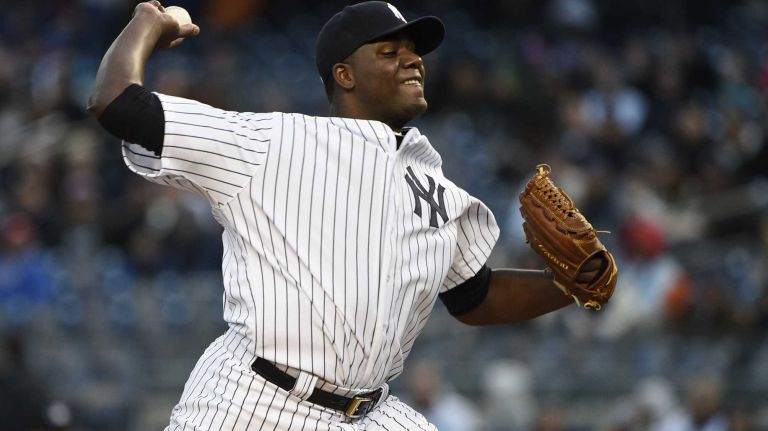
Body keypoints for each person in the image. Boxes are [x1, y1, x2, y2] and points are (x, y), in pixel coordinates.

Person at [87, 1, 606, 429]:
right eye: (390, 51)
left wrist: (569, 285)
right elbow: (117, 103)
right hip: (254, 401)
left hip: (370, 412)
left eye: (415, 52)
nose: (413, 60)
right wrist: (147, 23)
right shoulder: (274, 142)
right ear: (345, 75)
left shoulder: (439, 188)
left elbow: (474, 296)